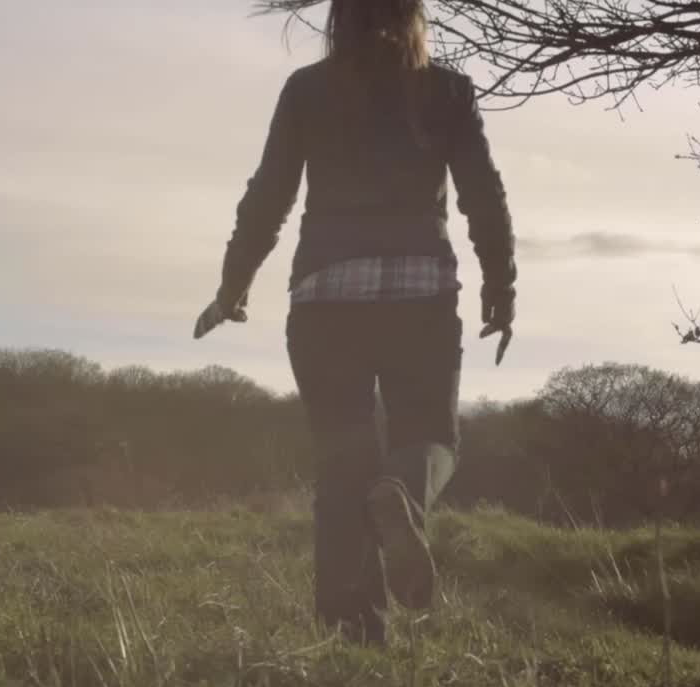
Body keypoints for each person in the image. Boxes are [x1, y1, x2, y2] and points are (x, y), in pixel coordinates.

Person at [192, 0, 516, 647]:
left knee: (342, 460)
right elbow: (483, 192)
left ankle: (353, 637)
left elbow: (269, 194)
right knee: (431, 438)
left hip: (324, 295)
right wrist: (500, 288)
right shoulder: (446, 90)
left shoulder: (308, 90)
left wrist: (233, 286)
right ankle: (404, 489)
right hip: (420, 295)